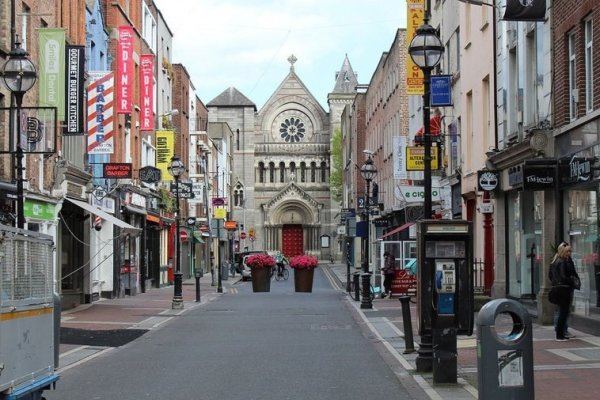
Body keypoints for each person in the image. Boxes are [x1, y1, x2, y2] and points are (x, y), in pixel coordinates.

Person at [548, 242, 580, 341]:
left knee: (562, 312)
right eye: (567, 251)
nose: (569, 253)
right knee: (563, 312)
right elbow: (564, 276)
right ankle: (560, 335)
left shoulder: (555, 261)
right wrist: (572, 280)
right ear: (562, 251)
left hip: (558, 288)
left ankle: (561, 333)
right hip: (563, 289)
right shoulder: (562, 262)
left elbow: (550, 276)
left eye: (570, 251)